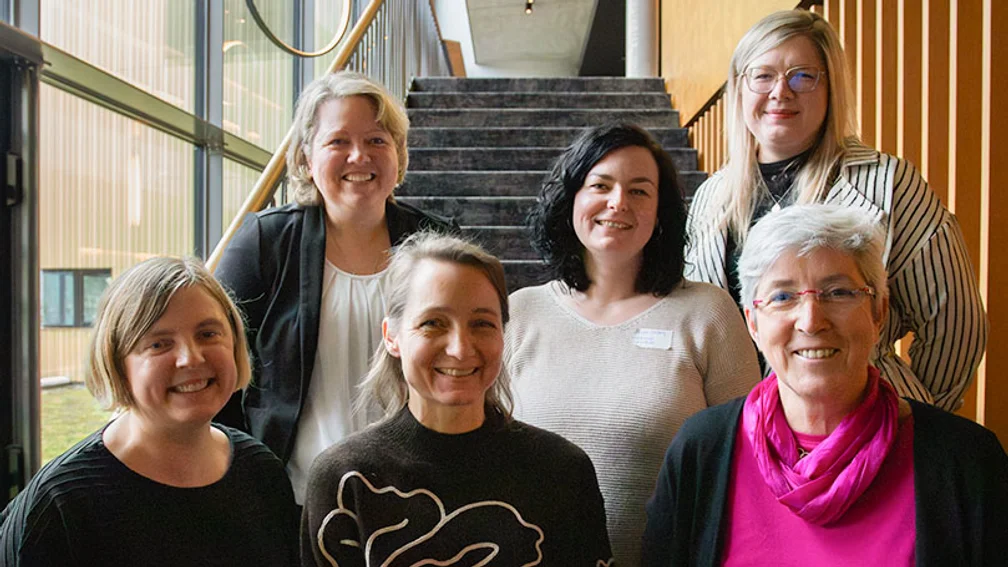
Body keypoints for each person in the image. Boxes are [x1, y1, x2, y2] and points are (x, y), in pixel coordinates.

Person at [642, 205, 1008, 566]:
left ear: (878, 312)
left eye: (838, 293)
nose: (811, 321)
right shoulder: (701, 450)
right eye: (783, 297)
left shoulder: (966, 462)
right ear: (753, 323)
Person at [684, 9, 987, 411]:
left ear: (831, 88)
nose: (780, 92)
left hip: (868, 422)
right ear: (739, 89)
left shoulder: (887, 182)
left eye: (802, 76)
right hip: (749, 430)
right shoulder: (710, 197)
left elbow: (956, 324)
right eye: (763, 75)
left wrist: (919, 417)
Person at [505, 123, 760, 565]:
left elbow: (747, 466)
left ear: (661, 212)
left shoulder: (707, 313)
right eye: (600, 185)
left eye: (639, 191)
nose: (618, 202)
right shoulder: (519, 314)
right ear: (572, 200)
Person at [301, 232, 614, 566]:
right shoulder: (344, 479)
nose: (461, 349)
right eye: (433, 323)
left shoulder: (562, 472)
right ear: (392, 336)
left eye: (482, 323)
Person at [214, 71, 455, 503]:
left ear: (398, 155)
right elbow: (218, 363)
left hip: (419, 494)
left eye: (377, 141)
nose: (359, 156)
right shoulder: (264, 244)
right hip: (294, 500)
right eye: (338, 141)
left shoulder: (437, 243)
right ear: (306, 159)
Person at [0, 257, 299, 566]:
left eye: (208, 334)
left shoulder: (262, 472)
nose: (190, 358)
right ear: (117, 363)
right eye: (158, 344)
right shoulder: (60, 504)